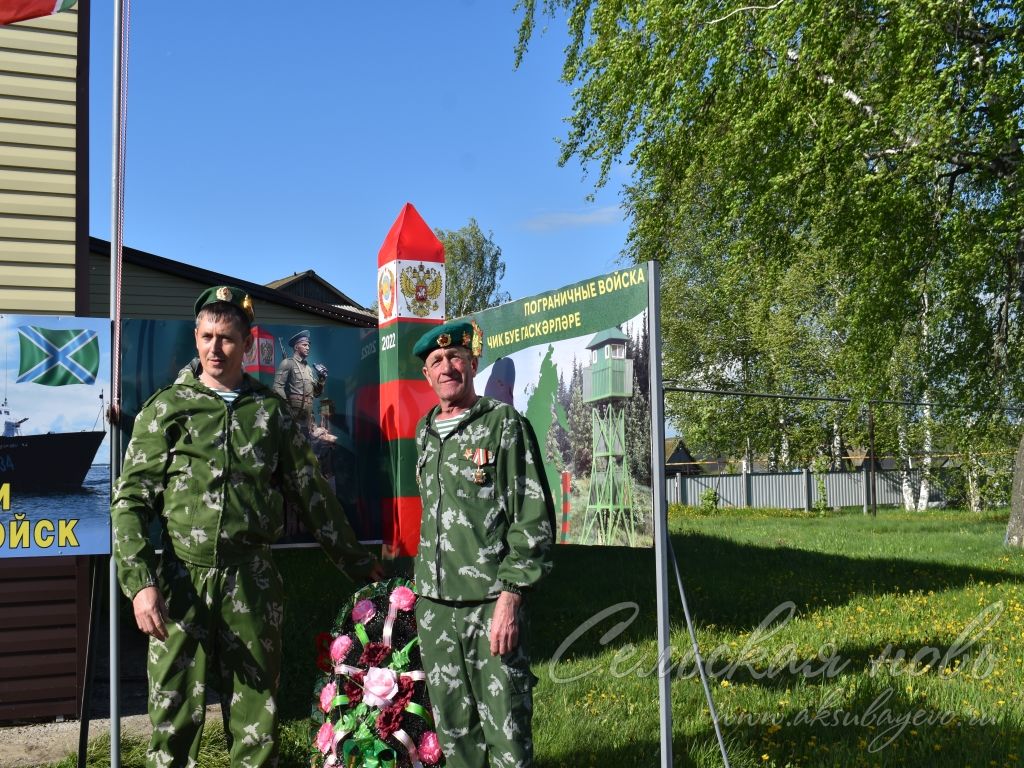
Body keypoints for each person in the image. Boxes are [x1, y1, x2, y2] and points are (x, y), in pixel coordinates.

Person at [111, 286, 384, 768]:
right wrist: (139, 584)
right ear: (195, 337)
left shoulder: (270, 413)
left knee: (257, 728)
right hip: (181, 585)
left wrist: (363, 568)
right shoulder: (167, 409)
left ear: (247, 341)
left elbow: (314, 497)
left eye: (228, 339)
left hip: (251, 586)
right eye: (207, 336)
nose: (216, 349)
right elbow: (131, 501)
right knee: (171, 724)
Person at [411, 320, 555, 768]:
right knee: (455, 738)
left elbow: (532, 519)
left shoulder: (503, 424)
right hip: (434, 609)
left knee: (507, 734)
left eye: (455, 357)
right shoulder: (425, 432)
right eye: (436, 361)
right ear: (427, 376)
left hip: (488, 607)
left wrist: (511, 597)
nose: (447, 367)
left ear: (472, 363)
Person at [273, 329, 325, 432]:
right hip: (294, 413)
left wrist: (321, 379)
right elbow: (277, 387)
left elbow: (316, 393)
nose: (308, 348)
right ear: (296, 347)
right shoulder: (287, 363)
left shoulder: (308, 369)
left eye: (308, 345)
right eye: (305, 345)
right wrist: (288, 407)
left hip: (308, 415)